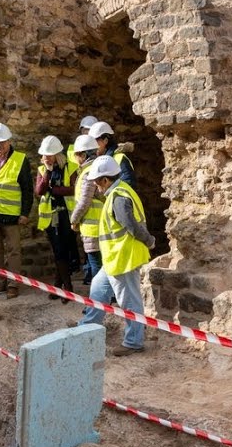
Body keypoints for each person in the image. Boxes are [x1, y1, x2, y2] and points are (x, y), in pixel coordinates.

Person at [78, 155, 155, 356]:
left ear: (105, 180)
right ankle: (84, 330)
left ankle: (133, 342)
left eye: (97, 181)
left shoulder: (119, 197)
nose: (95, 185)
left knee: (130, 303)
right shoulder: (118, 192)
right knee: (97, 292)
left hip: (123, 258)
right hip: (114, 259)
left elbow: (131, 226)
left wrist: (149, 240)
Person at [0, 123, 33, 299]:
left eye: (2, 143)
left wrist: (25, 213)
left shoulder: (20, 159)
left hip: (11, 214)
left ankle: (13, 284)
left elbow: (27, 189)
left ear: (9, 141)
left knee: (14, 250)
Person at [34, 136, 78, 303]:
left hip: (67, 215)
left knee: (64, 250)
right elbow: (39, 190)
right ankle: (66, 287)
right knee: (58, 250)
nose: (46, 158)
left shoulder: (71, 167)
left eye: (49, 155)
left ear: (58, 154)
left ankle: (61, 287)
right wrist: (47, 173)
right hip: (51, 217)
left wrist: (56, 190)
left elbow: (74, 189)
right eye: (44, 155)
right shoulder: (42, 169)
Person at [68, 133, 104, 289]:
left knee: (97, 265)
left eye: (77, 154)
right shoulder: (97, 168)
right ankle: (106, 298)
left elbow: (84, 202)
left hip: (93, 227)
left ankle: (98, 301)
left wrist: (74, 220)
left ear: (83, 154)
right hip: (99, 225)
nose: (75, 157)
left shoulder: (89, 172)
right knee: (101, 264)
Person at [88, 121, 135, 187]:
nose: (93, 146)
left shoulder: (120, 159)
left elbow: (128, 183)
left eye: (95, 141)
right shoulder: (99, 160)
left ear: (106, 140)